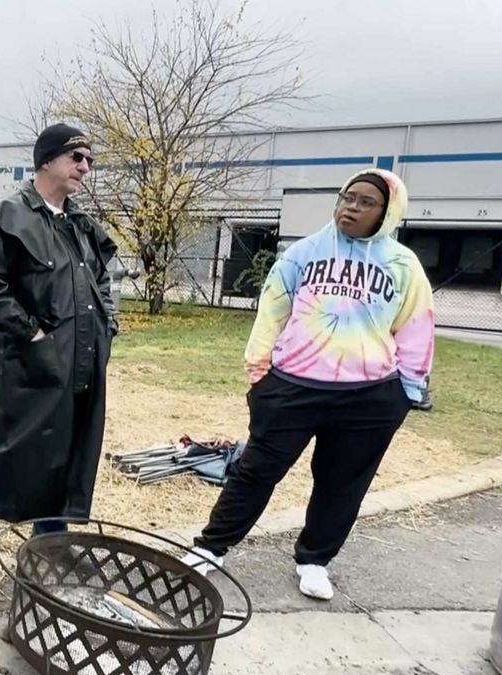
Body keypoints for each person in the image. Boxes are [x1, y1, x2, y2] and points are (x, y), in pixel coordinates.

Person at [182, 168, 434, 600]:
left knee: (342, 482)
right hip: (292, 387)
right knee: (255, 471)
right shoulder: (303, 253)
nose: (351, 207)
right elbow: (271, 312)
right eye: (347, 197)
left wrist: (406, 392)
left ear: (388, 211)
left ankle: (314, 561)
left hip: (368, 397)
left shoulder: (402, 266)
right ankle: (211, 548)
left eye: (365, 202)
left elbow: (416, 328)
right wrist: (259, 374)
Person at [0, 123, 118, 609]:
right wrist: (30, 333)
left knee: (64, 457)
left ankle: (55, 549)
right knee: (3, 460)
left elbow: (102, 281)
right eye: (77, 158)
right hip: (30, 371)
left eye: (88, 160)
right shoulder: (9, 217)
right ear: (47, 160)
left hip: (83, 367)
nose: (85, 169)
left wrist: (108, 321)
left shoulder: (81, 226)